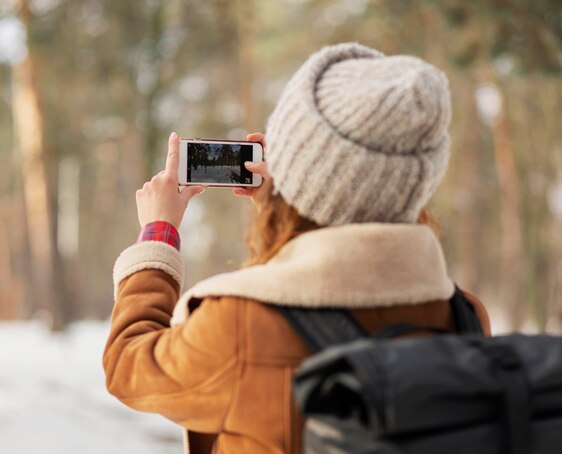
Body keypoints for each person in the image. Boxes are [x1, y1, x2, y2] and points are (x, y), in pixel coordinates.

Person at [103, 42, 491, 454]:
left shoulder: (239, 325)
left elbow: (130, 366)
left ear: (303, 171)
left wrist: (158, 233)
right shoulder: (464, 318)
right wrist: (287, 210)